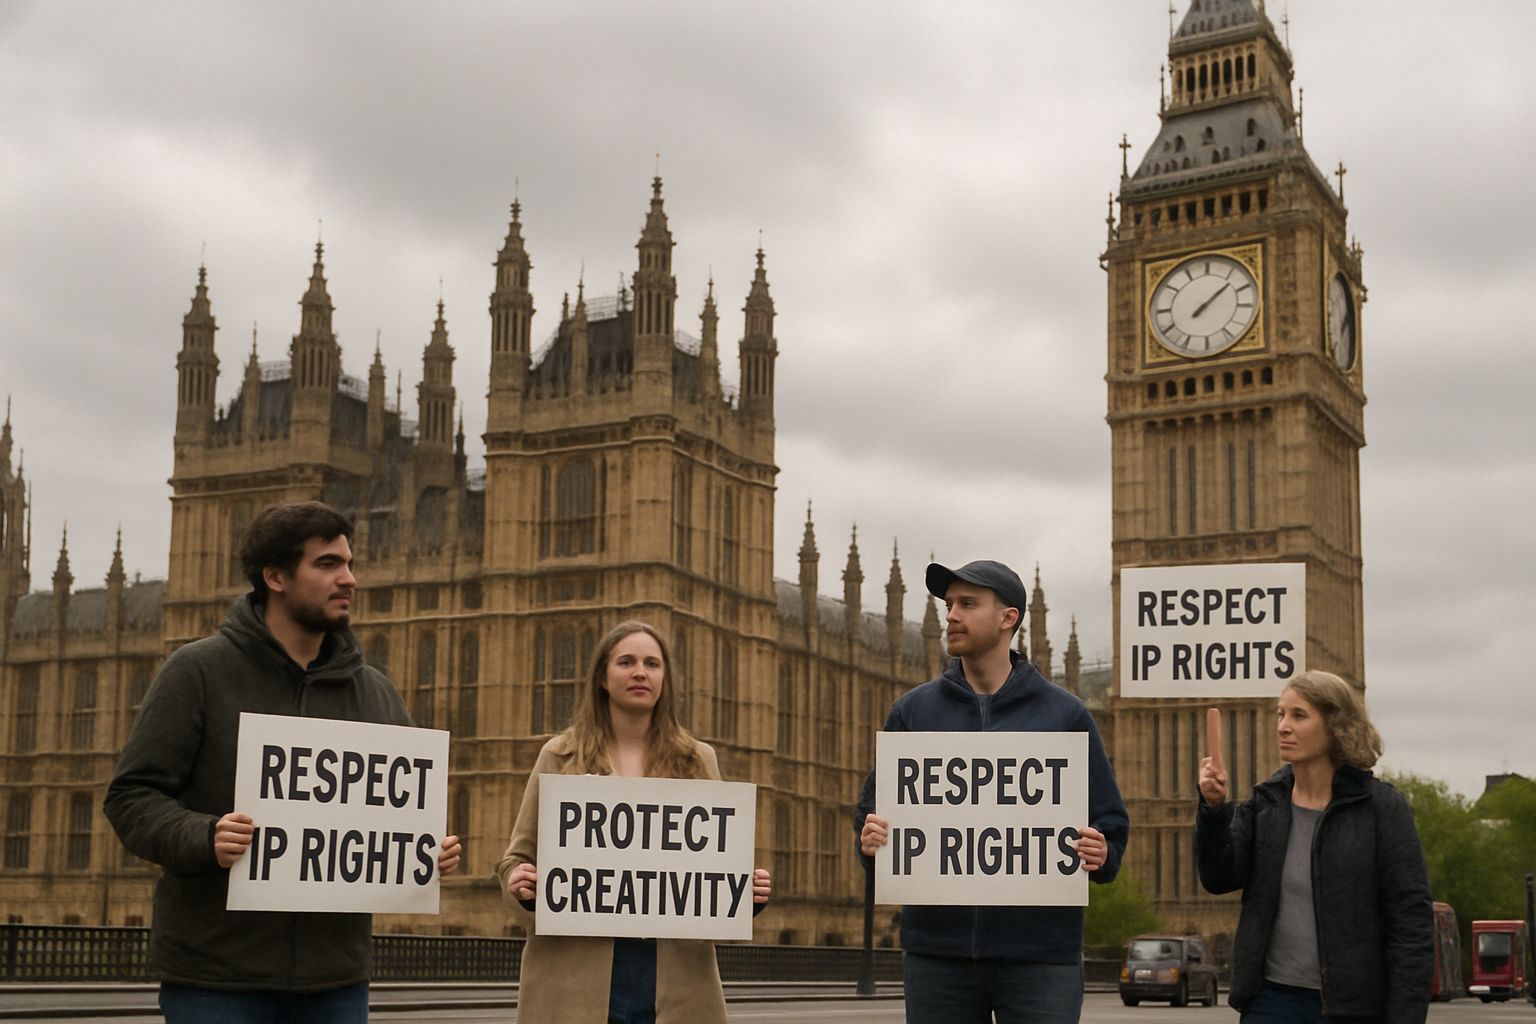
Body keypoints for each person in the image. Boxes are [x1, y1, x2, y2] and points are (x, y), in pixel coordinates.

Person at [104, 501, 461, 1024]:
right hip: (218, 978)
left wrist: (427, 848)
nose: (349, 579)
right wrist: (205, 836)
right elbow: (131, 797)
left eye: (349, 563)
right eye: (327, 565)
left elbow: (391, 814)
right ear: (274, 576)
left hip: (335, 980)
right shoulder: (198, 672)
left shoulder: (375, 692)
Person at [856, 559, 1129, 1024]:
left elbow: (1111, 825)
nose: (951, 615)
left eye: (966, 604)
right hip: (938, 957)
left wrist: (1101, 851)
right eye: (948, 605)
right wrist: (870, 843)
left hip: (1040, 959)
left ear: (1009, 618)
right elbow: (871, 818)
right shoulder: (913, 713)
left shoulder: (1065, 716)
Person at [496, 620, 772, 1024]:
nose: (640, 672)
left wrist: (747, 893)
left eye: (652, 663)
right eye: (626, 662)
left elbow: (717, 875)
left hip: (673, 977)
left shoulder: (697, 761)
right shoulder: (559, 756)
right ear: (603, 678)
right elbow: (515, 859)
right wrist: (520, 883)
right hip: (574, 976)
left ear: (665, 679)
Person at [1197, 670, 1434, 1023]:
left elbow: (1411, 924)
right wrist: (1214, 810)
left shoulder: (1382, 809)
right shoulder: (1267, 803)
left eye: (1299, 715)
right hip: (1270, 1002)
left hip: (1351, 1008)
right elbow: (1218, 878)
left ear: (1336, 726)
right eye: (1280, 714)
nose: (1283, 726)